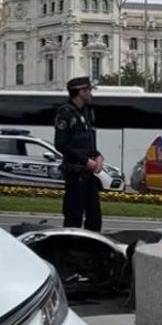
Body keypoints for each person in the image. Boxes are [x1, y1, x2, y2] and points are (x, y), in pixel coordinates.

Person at [54, 76, 104, 231]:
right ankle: (69, 251)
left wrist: (98, 156)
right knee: (73, 217)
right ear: (80, 92)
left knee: (95, 217)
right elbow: (61, 144)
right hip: (75, 173)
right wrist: (85, 161)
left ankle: (91, 251)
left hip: (88, 174)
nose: (91, 94)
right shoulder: (66, 113)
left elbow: (88, 143)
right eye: (88, 90)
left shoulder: (87, 113)